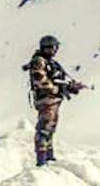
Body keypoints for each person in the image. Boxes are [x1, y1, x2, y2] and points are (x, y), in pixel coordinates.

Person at [26, 35, 84, 167]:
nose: (54, 50)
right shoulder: (39, 61)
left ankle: (48, 156)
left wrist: (70, 87)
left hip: (52, 100)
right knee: (44, 128)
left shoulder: (51, 63)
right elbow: (40, 81)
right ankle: (41, 159)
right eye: (53, 47)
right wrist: (59, 89)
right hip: (45, 99)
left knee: (50, 128)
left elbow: (58, 80)